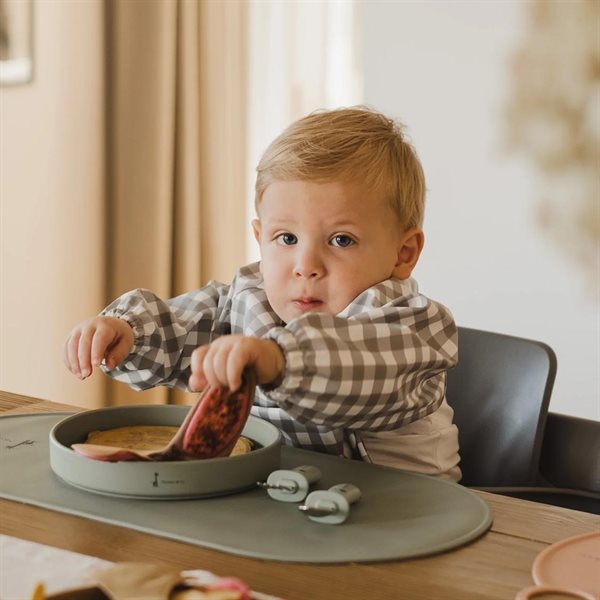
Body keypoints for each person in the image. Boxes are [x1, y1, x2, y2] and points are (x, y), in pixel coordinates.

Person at [64, 106, 461, 481]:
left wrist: (279, 359)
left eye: (341, 240)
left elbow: (351, 364)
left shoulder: (416, 327)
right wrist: (127, 331)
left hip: (404, 519)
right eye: (286, 238)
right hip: (285, 507)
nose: (306, 265)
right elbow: (181, 327)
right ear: (260, 238)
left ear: (403, 254)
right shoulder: (249, 299)